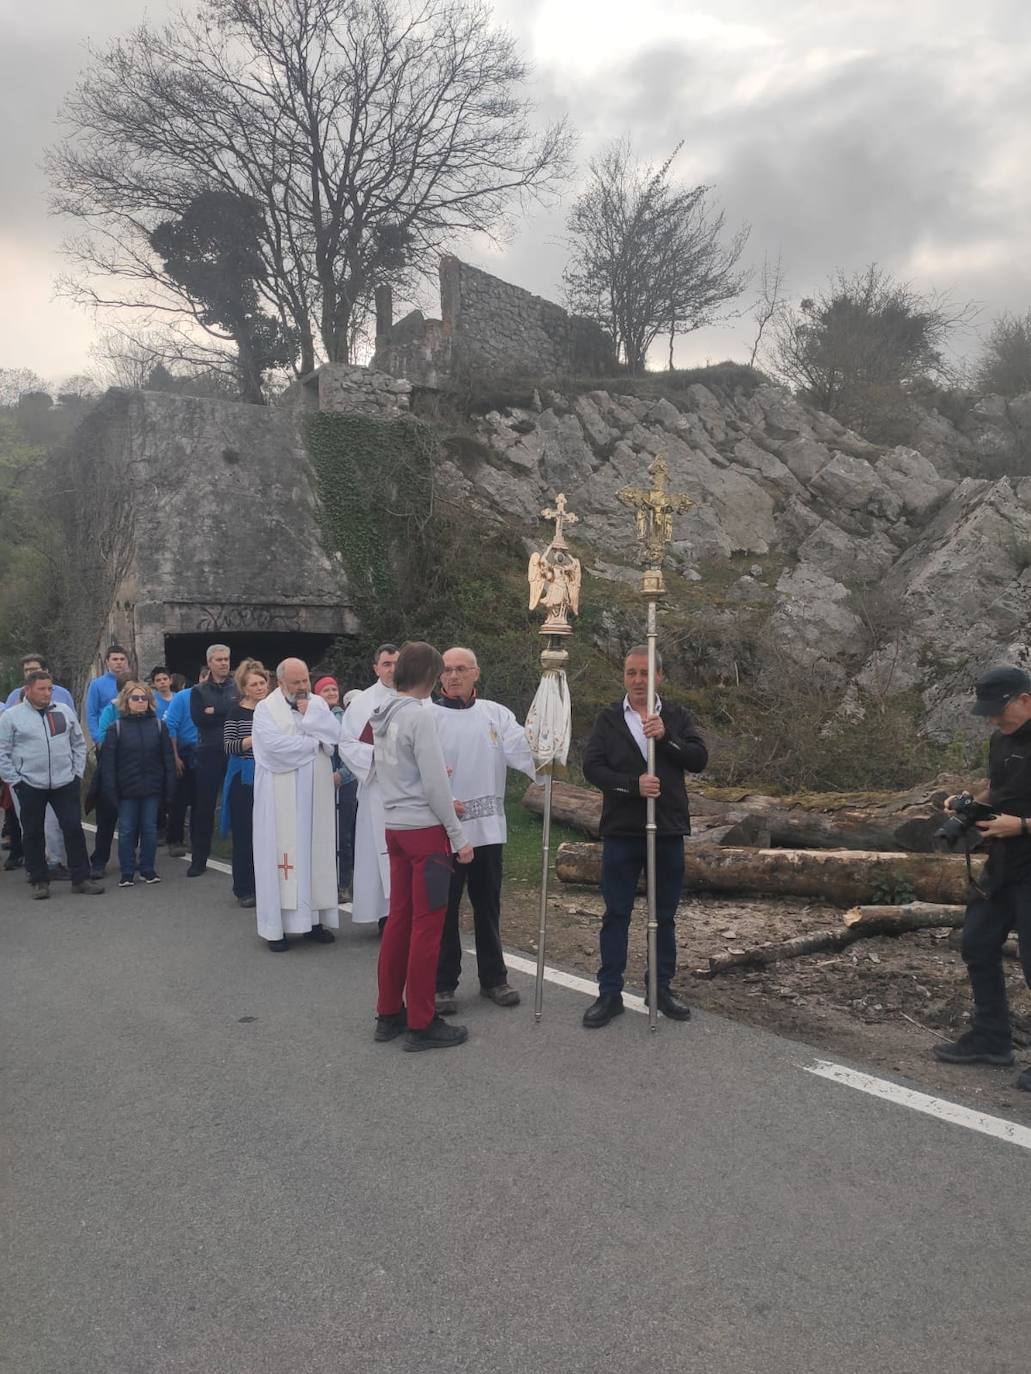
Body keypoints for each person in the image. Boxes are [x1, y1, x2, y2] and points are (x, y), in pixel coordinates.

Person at [580, 646, 708, 1028]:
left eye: (644, 673)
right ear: (624, 677)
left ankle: (661, 988)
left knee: (663, 915)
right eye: (631, 673)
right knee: (616, 913)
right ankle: (609, 993)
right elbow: (593, 768)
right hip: (622, 831)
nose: (637, 680)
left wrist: (667, 739)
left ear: (659, 677)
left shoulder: (675, 716)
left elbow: (699, 759)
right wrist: (632, 786)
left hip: (666, 830)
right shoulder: (608, 719)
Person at [371, 641, 473, 1051]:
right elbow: (434, 785)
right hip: (425, 833)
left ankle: (387, 1012)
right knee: (427, 928)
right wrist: (458, 836)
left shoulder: (384, 713)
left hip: (395, 824)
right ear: (431, 678)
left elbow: (398, 770)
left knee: (399, 921)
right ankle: (421, 1020)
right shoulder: (419, 716)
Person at [933, 666, 1031, 1092]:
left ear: (1025, 699)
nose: (992, 719)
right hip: (1004, 862)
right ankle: (992, 1040)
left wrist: (1023, 826)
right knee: (975, 943)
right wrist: (968, 802)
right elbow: (997, 785)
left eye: (999, 710)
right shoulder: (1001, 739)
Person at [432, 646, 536, 1014]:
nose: (454, 676)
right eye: (447, 670)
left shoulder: (496, 714)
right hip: (445, 828)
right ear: (438, 676)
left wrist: (547, 744)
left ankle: (494, 978)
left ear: (477, 673)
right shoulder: (427, 717)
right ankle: (443, 983)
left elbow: (527, 752)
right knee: (444, 908)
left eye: (461, 669)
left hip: (488, 829)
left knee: (487, 905)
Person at [251, 658, 341, 952]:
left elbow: (333, 736)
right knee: (284, 856)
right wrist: (311, 742)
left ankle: (315, 921)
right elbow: (274, 749)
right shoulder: (266, 708)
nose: (303, 688)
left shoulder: (316, 703)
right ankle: (278, 929)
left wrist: (312, 722)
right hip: (281, 793)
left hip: (316, 793)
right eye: (296, 683)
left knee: (316, 853)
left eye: (305, 680)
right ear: (280, 683)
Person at [0, 671, 104, 899]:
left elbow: (78, 743)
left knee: (73, 829)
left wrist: (76, 773)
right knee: (33, 833)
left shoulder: (63, 711)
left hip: (65, 782)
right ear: (28, 690)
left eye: (50, 688)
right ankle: (38, 880)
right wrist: (15, 780)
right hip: (29, 784)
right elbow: (2, 752)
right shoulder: (11, 717)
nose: (48, 693)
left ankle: (81, 879)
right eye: (42, 689)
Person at [338, 644, 400, 931]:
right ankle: (385, 915)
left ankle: (406, 911)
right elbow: (346, 743)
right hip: (376, 788)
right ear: (376, 668)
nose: (392, 669)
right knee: (377, 851)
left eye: (396, 663)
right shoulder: (363, 703)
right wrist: (377, 758)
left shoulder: (419, 697)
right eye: (386, 664)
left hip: (410, 791)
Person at [99, 679, 176, 887]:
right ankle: (126, 871)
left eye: (144, 698)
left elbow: (168, 760)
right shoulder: (116, 729)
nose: (140, 701)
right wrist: (111, 792)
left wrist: (169, 790)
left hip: (152, 789)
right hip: (126, 791)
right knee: (126, 830)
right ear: (127, 701)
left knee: (149, 829)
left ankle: (148, 869)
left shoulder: (160, 727)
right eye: (135, 698)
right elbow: (108, 765)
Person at [221, 659, 270, 908]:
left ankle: (266, 884)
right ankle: (244, 888)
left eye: (263, 682)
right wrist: (254, 738)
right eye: (254, 684)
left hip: (271, 776)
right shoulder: (236, 712)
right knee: (245, 834)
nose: (260, 687)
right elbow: (229, 745)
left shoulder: (274, 709)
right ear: (244, 687)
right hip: (245, 778)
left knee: (268, 835)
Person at [188, 644, 239, 876]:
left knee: (239, 804)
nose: (224, 663)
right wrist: (225, 712)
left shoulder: (237, 687)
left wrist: (215, 711)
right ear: (209, 662)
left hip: (235, 751)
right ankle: (199, 859)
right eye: (219, 660)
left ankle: (240, 855)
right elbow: (200, 719)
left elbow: (239, 713)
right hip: (209, 751)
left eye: (226, 659)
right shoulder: (198, 691)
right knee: (204, 808)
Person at [315, 675, 358, 903]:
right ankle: (324, 881)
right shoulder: (313, 718)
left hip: (345, 783)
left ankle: (343, 884)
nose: (331, 693)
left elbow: (351, 750)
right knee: (324, 835)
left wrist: (341, 774)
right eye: (326, 690)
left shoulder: (346, 718)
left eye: (334, 689)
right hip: (321, 784)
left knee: (344, 836)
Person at [163, 669, 204, 858]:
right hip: (184, 752)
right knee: (179, 800)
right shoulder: (182, 698)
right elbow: (170, 725)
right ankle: (175, 839)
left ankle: (199, 840)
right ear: (201, 678)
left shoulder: (221, 697)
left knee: (202, 800)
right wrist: (175, 756)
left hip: (207, 753)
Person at [85, 644, 131, 741]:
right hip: (106, 737)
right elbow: (91, 714)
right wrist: (97, 739)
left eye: (122, 659)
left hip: (129, 736)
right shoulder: (96, 684)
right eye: (115, 659)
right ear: (107, 662)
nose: (119, 662)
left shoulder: (133, 682)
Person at [5, 654, 76, 711]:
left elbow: (72, 720)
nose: (29, 673)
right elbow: (5, 722)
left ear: (45, 671)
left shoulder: (62, 694)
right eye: (26, 670)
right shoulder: (15, 695)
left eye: (34, 669)